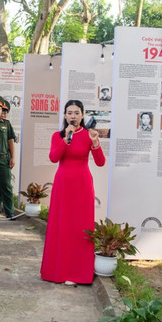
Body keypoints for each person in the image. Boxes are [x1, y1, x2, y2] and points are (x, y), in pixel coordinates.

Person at [40, 99, 105, 285]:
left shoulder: (89, 135)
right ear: (65, 115)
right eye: (69, 112)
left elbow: (100, 162)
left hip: (82, 184)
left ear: (82, 115)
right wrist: (65, 139)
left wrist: (95, 144)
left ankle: (79, 273)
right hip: (63, 184)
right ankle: (58, 271)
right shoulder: (58, 135)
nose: (73, 116)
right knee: (61, 225)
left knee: (80, 226)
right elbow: (54, 158)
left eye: (77, 112)